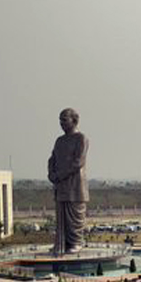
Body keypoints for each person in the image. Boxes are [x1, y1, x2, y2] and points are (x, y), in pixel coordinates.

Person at [47, 108, 89, 255]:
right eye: (60, 120)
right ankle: (62, 243)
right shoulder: (59, 141)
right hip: (61, 185)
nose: (62, 123)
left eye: (64, 120)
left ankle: (76, 242)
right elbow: (52, 159)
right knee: (62, 217)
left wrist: (60, 175)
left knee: (75, 217)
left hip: (75, 185)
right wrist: (51, 174)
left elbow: (79, 162)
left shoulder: (81, 138)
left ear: (74, 120)